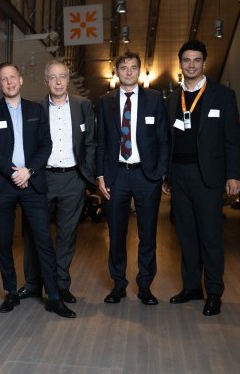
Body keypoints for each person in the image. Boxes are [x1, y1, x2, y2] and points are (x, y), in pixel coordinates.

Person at [0, 62, 75, 318]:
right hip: (3, 185)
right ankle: (11, 292)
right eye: (4, 79)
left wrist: (28, 171)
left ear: (20, 80)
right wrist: (12, 172)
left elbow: (46, 145)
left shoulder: (36, 110)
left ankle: (53, 296)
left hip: (32, 183)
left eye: (13, 77)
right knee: (3, 241)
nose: (9, 82)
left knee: (44, 240)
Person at [163, 40, 240, 317]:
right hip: (179, 175)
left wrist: (233, 174)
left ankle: (215, 292)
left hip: (208, 175)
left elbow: (233, 139)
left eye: (197, 60)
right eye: (186, 60)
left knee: (210, 235)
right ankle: (192, 287)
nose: (191, 65)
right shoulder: (172, 99)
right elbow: (167, 140)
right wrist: (166, 174)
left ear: (204, 63)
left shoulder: (222, 95)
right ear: (180, 64)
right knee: (186, 235)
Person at [20, 60, 96, 304]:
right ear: (46, 82)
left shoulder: (83, 106)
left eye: (62, 76)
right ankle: (33, 284)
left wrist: (88, 177)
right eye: (53, 77)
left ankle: (62, 285)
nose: (58, 81)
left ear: (68, 79)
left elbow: (91, 143)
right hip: (42, 178)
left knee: (67, 233)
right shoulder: (35, 108)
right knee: (34, 231)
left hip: (73, 179)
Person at [96, 51, 169, 306]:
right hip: (116, 175)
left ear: (139, 71)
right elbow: (101, 141)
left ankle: (145, 286)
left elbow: (163, 138)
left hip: (146, 175)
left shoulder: (154, 99)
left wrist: (160, 172)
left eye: (133, 67)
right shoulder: (105, 101)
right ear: (117, 71)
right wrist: (101, 175)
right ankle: (118, 285)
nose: (128, 71)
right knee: (116, 233)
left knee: (147, 234)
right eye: (124, 67)